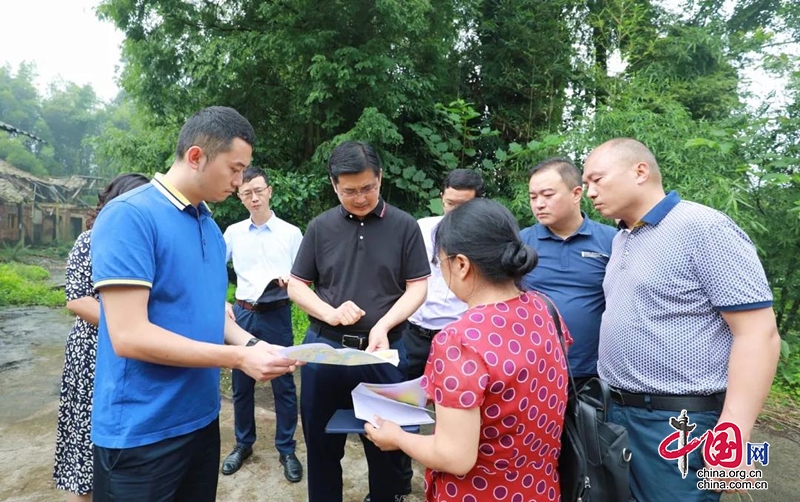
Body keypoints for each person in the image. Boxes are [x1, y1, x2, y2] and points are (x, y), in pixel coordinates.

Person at [89, 106, 300, 502]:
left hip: (201, 423)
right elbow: (129, 336)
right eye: (235, 169)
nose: (240, 183)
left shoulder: (209, 226)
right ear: (196, 156)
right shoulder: (130, 217)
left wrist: (253, 346)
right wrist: (236, 360)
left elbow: (210, 314)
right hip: (142, 431)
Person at [582, 138, 781, 502]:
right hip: (617, 413)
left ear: (640, 171)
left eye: (597, 179)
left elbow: (759, 334)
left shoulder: (704, 229)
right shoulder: (623, 237)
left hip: (678, 423)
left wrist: (733, 431)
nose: (590, 192)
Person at [364, 198, 571, 502]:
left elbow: (454, 456)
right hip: (539, 487)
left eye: (440, 263)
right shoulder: (545, 309)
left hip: (480, 492)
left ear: (461, 264)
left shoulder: (459, 341)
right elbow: (514, 386)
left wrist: (397, 437)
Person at [287, 140, 430, 502]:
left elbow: (417, 288)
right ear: (334, 185)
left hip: (384, 352)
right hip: (327, 351)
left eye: (367, 187)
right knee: (321, 446)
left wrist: (383, 325)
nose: (360, 197)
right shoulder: (321, 227)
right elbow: (297, 286)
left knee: (386, 444)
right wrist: (328, 312)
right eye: (349, 191)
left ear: (380, 178)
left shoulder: (404, 226)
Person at [53, 173, 149, 502]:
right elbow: (78, 300)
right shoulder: (90, 241)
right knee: (86, 444)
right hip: (93, 350)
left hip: (132, 347)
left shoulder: (145, 243)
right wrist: (128, 320)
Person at [221, 167, 303, 481]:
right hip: (242, 314)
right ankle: (243, 444)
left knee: (283, 384)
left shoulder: (291, 233)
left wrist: (291, 282)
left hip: (277, 313)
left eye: (258, 191)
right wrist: (222, 301)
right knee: (241, 386)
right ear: (240, 197)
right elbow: (214, 268)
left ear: (270, 190)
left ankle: (286, 448)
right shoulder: (233, 233)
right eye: (246, 193)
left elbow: (307, 276)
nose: (254, 198)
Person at [520, 158, 616, 388]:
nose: (539, 204)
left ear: (576, 194)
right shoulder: (521, 242)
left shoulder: (611, 240)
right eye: (533, 197)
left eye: (547, 195)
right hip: (535, 368)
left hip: (596, 371)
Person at [405, 168, 484, 380]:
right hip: (414, 334)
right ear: (442, 198)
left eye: (464, 206)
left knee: (454, 399)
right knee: (406, 401)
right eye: (450, 204)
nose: (455, 212)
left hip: (460, 338)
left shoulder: (487, 240)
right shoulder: (421, 229)